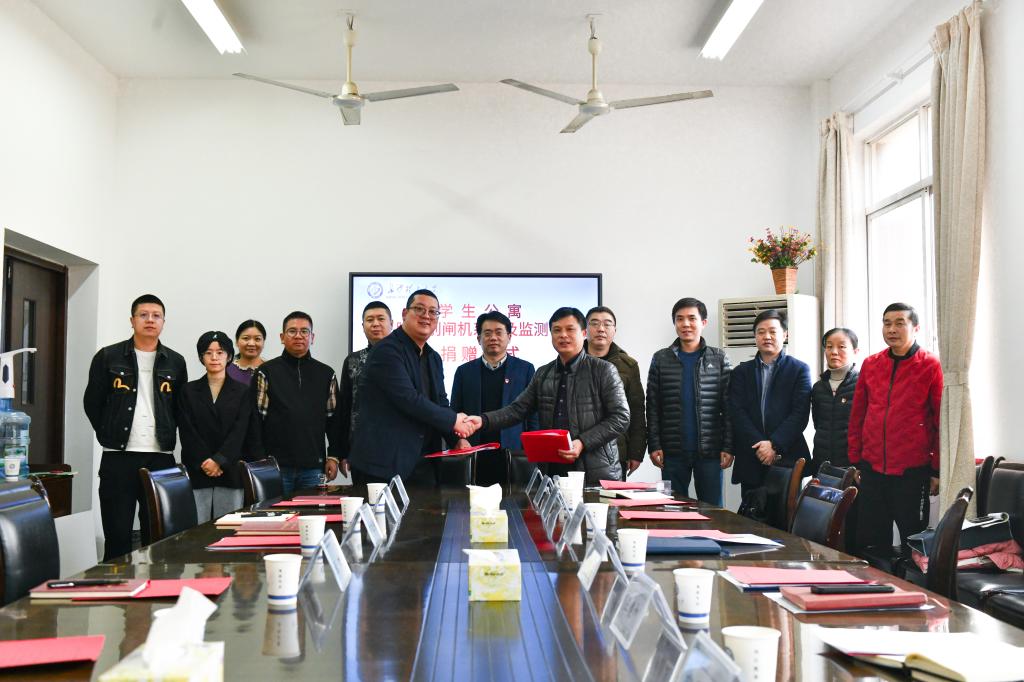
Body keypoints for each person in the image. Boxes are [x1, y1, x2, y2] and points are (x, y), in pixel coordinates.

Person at [83, 294, 188, 561]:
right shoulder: (108, 356)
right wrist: (108, 433)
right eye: (143, 315)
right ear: (132, 320)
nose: (150, 320)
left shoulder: (175, 362)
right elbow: (92, 403)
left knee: (160, 535)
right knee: (117, 535)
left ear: (163, 322)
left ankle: (155, 584)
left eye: (156, 315)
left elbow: (181, 408)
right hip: (118, 457)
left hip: (161, 457)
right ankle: (115, 586)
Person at [474, 307, 630, 484]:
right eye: (557, 330)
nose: (563, 335)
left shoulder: (603, 370)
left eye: (570, 329)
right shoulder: (543, 374)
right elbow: (517, 410)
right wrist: (483, 420)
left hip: (596, 470)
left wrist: (582, 442)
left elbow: (621, 417)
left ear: (584, 333)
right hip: (553, 468)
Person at [348, 290, 476, 486]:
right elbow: (408, 398)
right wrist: (453, 421)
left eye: (433, 312)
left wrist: (455, 439)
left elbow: (441, 402)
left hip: (424, 463)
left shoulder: (433, 358)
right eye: (419, 309)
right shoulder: (386, 350)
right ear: (404, 313)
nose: (426, 316)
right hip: (382, 465)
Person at [848, 303, 942, 551]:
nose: (891, 329)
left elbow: (939, 421)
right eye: (887, 323)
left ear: (915, 328)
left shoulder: (930, 365)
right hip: (872, 469)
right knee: (870, 543)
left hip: (912, 471)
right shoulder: (871, 364)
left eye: (900, 323)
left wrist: (936, 469)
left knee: (914, 542)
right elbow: (858, 415)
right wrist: (856, 460)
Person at [646, 297, 733, 505]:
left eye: (692, 318)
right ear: (674, 323)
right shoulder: (661, 358)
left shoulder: (719, 358)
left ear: (703, 322)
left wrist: (728, 446)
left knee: (712, 510)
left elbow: (729, 406)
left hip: (710, 450)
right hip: (672, 451)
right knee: (672, 508)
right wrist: (654, 444)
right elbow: (653, 406)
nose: (686, 324)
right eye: (680, 319)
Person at [253, 311, 342, 496]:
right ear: (282, 337)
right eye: (292, 331)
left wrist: (333, 456)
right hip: (275, 467)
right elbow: (256, 419)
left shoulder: (326, 374)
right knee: (275, 513)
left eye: (304, 331)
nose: (299, 336)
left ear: (312, 337)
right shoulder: (266, 371)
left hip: (313, 467)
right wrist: (260, 460)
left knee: (311, 513)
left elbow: (335, 420)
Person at [728, 309, 811, 498]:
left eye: (773, 331)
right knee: (751, 512)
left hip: (787, 457)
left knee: (786, 514)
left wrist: (774, 444)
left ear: (785, 334)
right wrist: (761, 446)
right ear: (755, 336)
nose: (767, 336)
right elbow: (737, 411)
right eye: (761, 332)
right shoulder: (741, 372)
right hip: (751, 456)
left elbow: (800, 413)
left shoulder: (799, 369)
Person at [178, 332, 261, 521]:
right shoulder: (188, 390)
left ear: (229, 356)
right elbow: (187, 430)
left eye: (220, 352)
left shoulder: (242, 391)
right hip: (199, 468)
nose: (214, 357)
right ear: (201, 357)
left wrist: (220, 460)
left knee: (228, 527)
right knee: (197, 528)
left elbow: (240, 430)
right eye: (208, 353)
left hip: (230, 468)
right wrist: (206, 462)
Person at [450, 311, 538, 486]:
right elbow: (454, 411)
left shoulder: (525, 369)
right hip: (474, 451)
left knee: (514, 500)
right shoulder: (464, 371)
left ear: (509, 337)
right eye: (487, 333)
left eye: (499, 332)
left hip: (513, 452)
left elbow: (533, 415)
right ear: (479, 338)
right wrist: (458, 440)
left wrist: (533, 449)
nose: (493, 338)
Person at [584, 306, 646, 478]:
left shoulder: (628, 365)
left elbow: (636, 410)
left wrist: (636, 452)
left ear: (614, 330)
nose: (601, 329)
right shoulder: (572, 361)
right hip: (578, 447)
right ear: (585, 329)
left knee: (611, 495)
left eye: (607, 324)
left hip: (616, 450)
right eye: (594, 323)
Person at [338, 302, 392, 457]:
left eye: (381, 319)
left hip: (398, 445)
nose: (375, 324)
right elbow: (345, 407)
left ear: (392, 323)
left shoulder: (405, 357)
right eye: (370, 320)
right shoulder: (352, 360)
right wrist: (342, 453)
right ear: (363, 326)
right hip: (361, 445)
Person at [810, 328, 860, 476]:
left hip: (853, 467)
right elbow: (817, 423)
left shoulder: (863, 385)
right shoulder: (818, 387)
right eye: (829, 346)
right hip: (821, 464)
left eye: (841, 346)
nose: (834, 352)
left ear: (855, 351)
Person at [227, 320, 267, 386]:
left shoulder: (272, 369)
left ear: (263, 342)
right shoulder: (226, 370)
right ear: (236, 342)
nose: (251, 343)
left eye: (257, 339)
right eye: (246, 338)